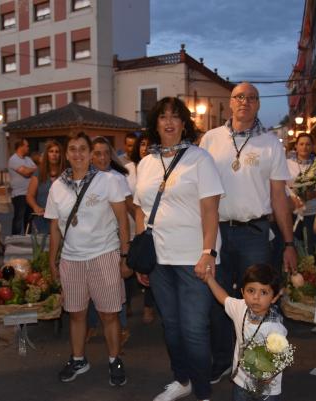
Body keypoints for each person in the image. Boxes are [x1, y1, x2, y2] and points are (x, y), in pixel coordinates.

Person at [199, 82, 296, 384]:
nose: (245, 102)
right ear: (230, 103)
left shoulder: (271, 143)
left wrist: (289, 242)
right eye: (239, 97)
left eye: (252, 98)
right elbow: (199, 190)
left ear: (258, 105)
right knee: (219, 299)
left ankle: (260, 361)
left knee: (259, 299)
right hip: (217, 232)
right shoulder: (210, 139)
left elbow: (279, 196)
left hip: (255, 232)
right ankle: (222, 360)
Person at [134, 97, 223, 401]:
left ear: (184, 123)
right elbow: (139, 210)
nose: (169, 122)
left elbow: (211, 210)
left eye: (175, 117)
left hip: (193, 258)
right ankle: (182, 379)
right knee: (171, 326)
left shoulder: (199, 159)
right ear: (155, 124)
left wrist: (207, 252)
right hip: (158, 259)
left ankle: (202, 391)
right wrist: (141, 255)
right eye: (162, 117)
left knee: (194, 329)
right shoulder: (145, 163)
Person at [46, 132, 131, 386]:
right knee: (76, 314)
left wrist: (124, 255)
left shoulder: (106, 181)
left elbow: (122, 221)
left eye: (83, 149)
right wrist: (53, 260)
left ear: (91, 153)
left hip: (104, 255)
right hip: (71, 260)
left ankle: (115, 359)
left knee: (109, 315)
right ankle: (78, 359)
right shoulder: (57, 186)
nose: (78, 154)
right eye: (72, 149)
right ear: (66, 153)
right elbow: (54, 228)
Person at [205, 263, 286, 401]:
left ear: (274, 298)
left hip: (267, 389)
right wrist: (209, 279)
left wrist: (270, 374)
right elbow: (223, 297)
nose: (256, 297)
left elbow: (281, 358)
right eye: (251, 290)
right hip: (241, 381)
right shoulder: (240, 307)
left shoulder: (275, 328)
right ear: (242, 292)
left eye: (264, 292)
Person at [86, 136, 133, 346]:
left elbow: (129, 210)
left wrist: (131, 241)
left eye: (106, 153)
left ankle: (120, 329)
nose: (103, 158)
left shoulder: (117, 178)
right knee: (91, 288)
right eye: (97, 153)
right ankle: (93, 326)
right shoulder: (82, 178)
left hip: (113, 240)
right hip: (88, 243)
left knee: (114, 289)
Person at [127, 133, 158, 324]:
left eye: (149, 144)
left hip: (148, 226)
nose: (145, 148)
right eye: (143, 144)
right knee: (130, 267)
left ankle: (148, 306)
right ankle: (127, 303)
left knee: (149, 266)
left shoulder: (157, 167)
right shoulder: (128, 169)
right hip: (130, 224)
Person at [286, 134, 316, 255]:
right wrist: (294, 195)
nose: (304, 147)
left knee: (312, 246)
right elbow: (283, 185)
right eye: (301, 144)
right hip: (293, 211)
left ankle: (312, 271)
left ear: (312, 147)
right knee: (295, 245)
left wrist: (313, 193)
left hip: (313, 211)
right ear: (296, 146)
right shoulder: (287, 163)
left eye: (308, 144)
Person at [26, 140, 64, 236]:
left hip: (61, 220)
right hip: (41, 221)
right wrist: (35, 207)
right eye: (51, 151)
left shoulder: (66, 173)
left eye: (57, 151)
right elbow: (30, 195)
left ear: (60, 155)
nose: (54, 154)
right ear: (47, 154)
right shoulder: (38, 173)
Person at [8, 138, 37, 235]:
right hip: (19, 194)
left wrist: (30, 170)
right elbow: (25, 173)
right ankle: (14, 240)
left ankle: (27, 239)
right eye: (27, 145)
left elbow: (34, 171)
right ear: (21, 146)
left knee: (28, 218)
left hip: (30, 194)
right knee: (18, 219)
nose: (28, 148)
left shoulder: (28, 159)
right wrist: (30, 170)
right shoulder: (13, 159)